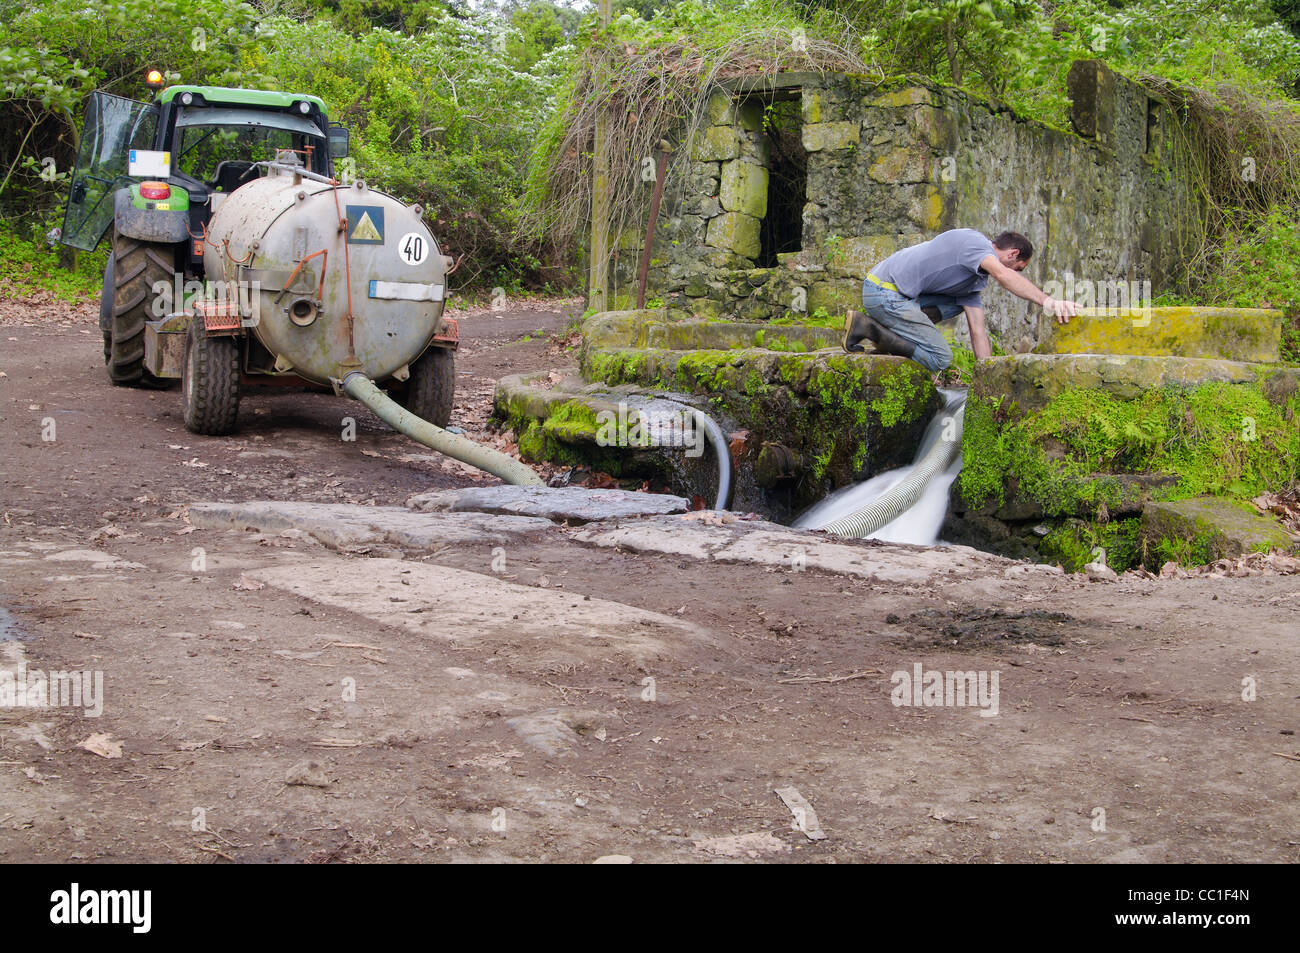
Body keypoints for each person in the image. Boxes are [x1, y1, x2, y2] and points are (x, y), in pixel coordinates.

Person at [842, 228, 1080, 371]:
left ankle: (890, 334)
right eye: (1018, 268)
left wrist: (988, 374)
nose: (1015, 273)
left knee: (958, 305)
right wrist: (1049, 302)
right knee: (940, 359)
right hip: (883, 291)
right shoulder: (974, 243)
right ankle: (872, 329)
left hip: (897, 295)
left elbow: (978, 331)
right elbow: (1004, 274)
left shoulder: (973, 282)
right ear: (1013, 254)